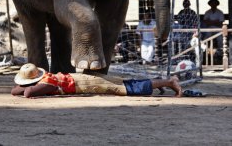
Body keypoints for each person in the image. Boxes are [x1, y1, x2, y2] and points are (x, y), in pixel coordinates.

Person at [11, 63, 182, 98]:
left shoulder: (47, 83)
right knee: (127, 83)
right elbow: (15, 90)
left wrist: (29, 86)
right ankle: (164, 81)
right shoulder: (46, 77)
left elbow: (27, 92)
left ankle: (169, 82)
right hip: (83, 80)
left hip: (86, 83)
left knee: (127, 88)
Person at [136, 0, 156, 64]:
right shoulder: (141, 23)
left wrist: (156, 40)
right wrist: (139, 43)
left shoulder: (154, 20)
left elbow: (157, 32)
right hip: (144, 41)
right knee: (143, 55)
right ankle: (146, 62)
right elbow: (138, 33)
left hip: (152, 40)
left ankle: (148, 61)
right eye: (144, 17)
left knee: (150, 51)